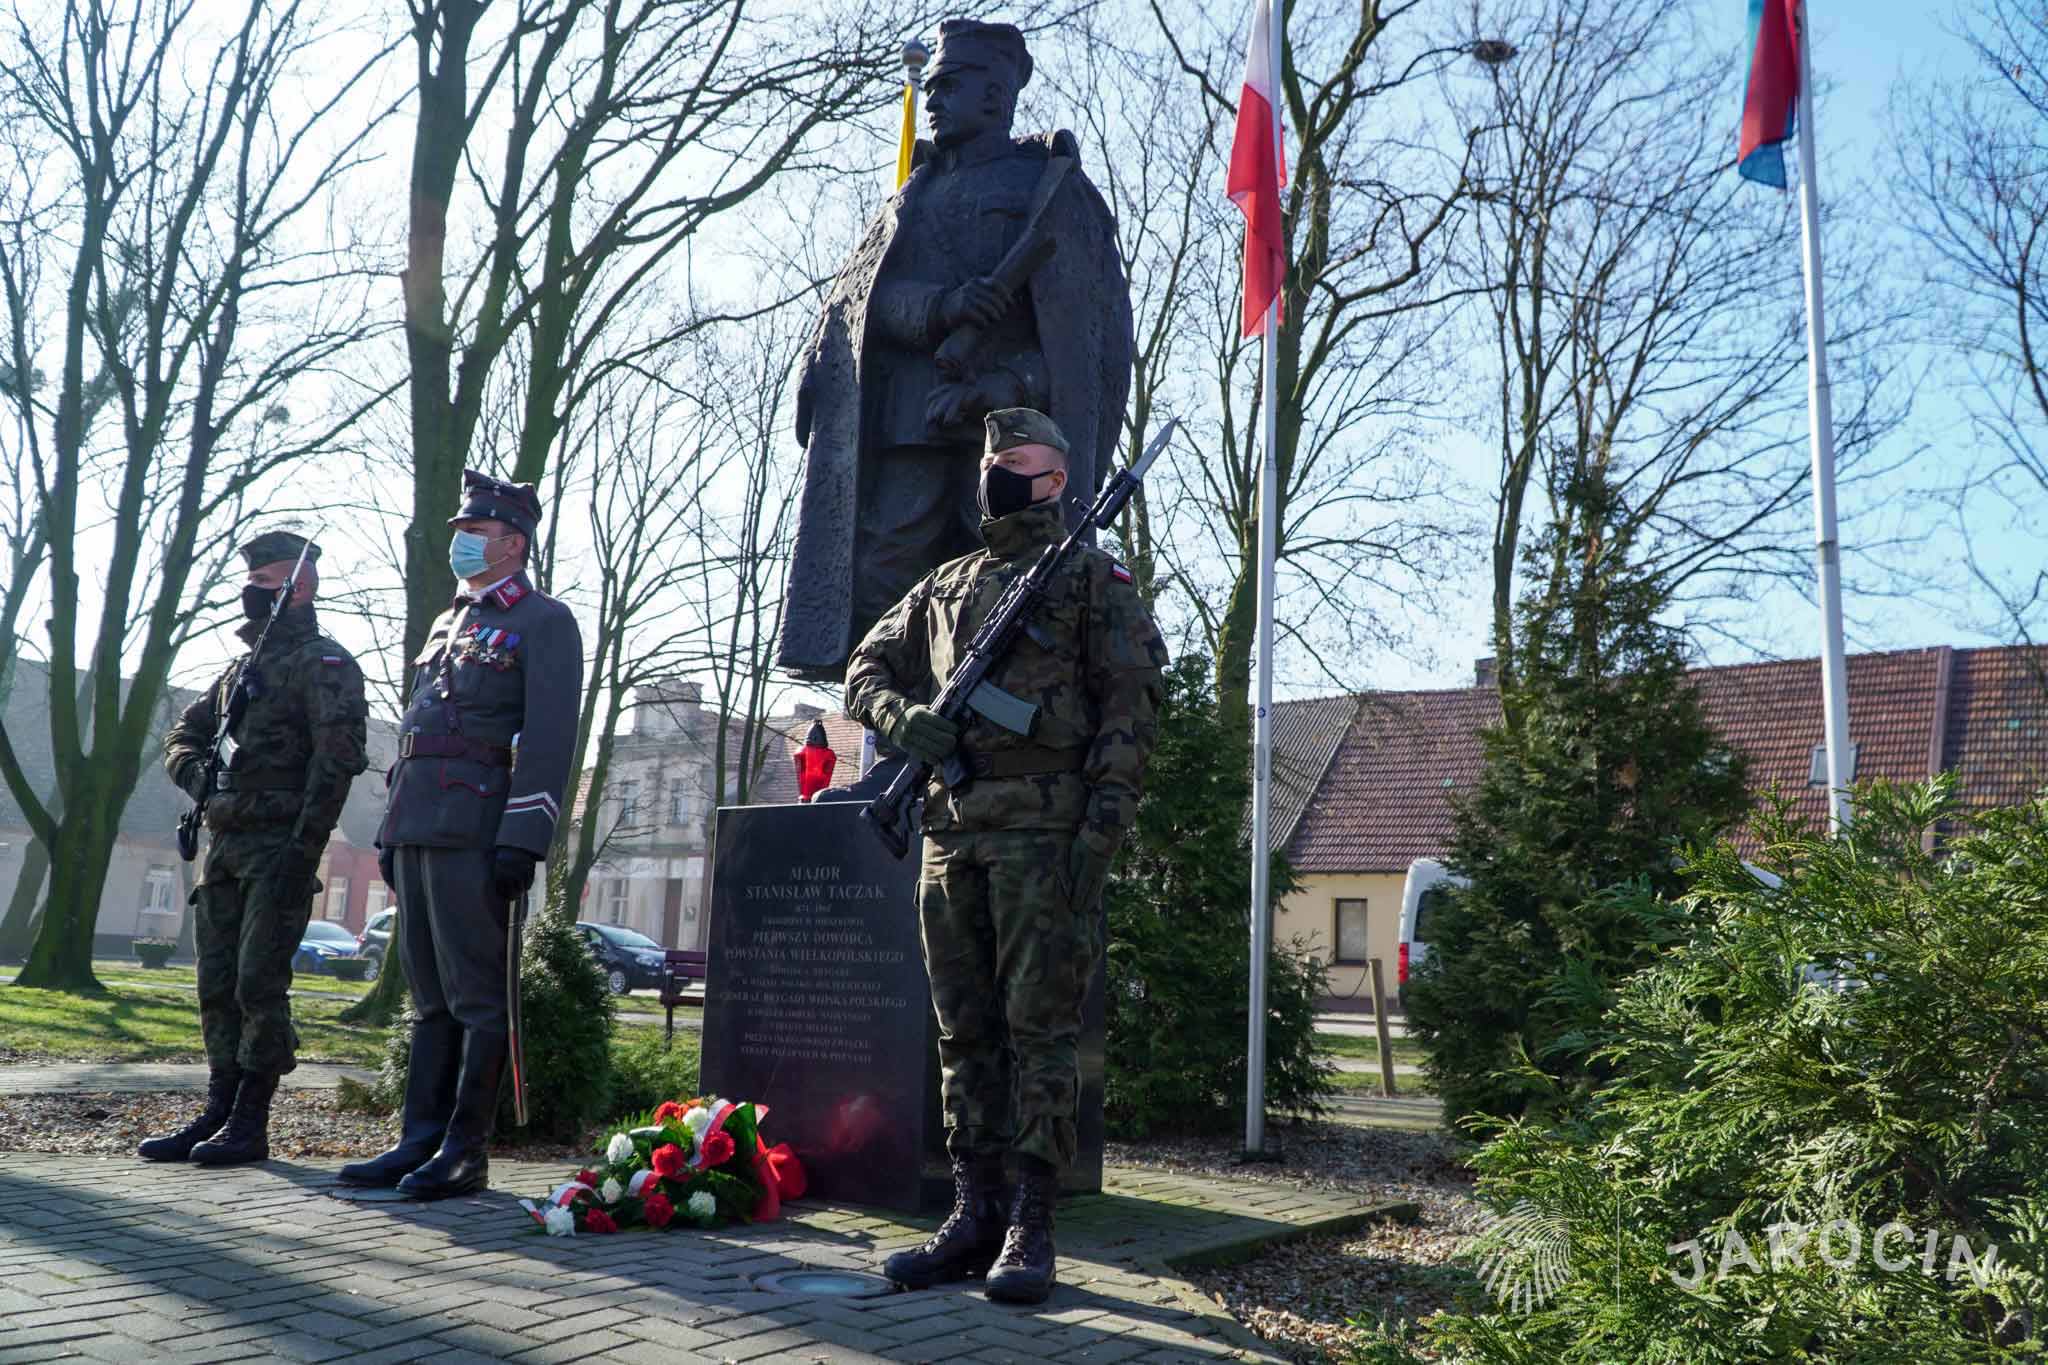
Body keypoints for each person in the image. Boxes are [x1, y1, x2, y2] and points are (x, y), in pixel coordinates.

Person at [846, 408, 1166, 1303]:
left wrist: (1099, 834)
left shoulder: (1093, 579)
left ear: (1057, 479)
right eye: (992, 460)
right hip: (952, 833)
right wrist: (904, 719)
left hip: (1045, 835)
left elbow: (1130, 713)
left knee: (1040, 1033)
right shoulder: (946, 584)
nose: (996, 473)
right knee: (964, 1031)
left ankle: (1032, 1219)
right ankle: (972, 1210)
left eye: (1016, 461)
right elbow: (864, 669)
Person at [777, 18, 1133, 682]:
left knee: (1007, 587)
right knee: (886, 583)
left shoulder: (1051, 192)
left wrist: (1002, 388)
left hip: (1007, 437)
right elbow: (857, 308)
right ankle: (893, 744)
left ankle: (995, 749)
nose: (932, 101)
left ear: (995, 95)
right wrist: (940, 308)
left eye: (948, 87)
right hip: (907, 426)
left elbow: (1092, 348)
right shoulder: (910, 197)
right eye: (930, 88)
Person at [339, 470, 583, 1200]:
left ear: (513, 542)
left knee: (477, 996)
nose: (462, 545)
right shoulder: (449, 624)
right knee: (430, 996)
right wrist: (390, 827)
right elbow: (417, 730)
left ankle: (464, 1148)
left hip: (477, 827)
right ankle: (419, 1136)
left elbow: (548, 737)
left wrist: (525, 836)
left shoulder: (543, 621)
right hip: (417, 822)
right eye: (459, 534)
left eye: (474, 534)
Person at [145, 532, 369, 1166]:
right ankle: (219, 1106)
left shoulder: (324, 665)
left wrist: (305, 850)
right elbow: (183, 737)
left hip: (280, 849)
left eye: (266, 583)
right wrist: (201, 780)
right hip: (226, 845)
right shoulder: (239, 671)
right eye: (251, 582)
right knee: (214, 983)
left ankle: (251, 1121)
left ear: (298, 588)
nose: (252, 594)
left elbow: (337, 764)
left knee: (257, 985)